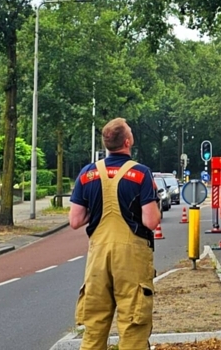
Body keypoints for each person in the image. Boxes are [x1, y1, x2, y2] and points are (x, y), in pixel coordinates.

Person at [70, 118, 161, 350]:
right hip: (131, 258)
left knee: (94, 325)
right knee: (133, 324)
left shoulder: (87, 173)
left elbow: (75, 220)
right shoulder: (141, 173)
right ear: (128, 142)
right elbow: (151, 221)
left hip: (98, 256)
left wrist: (97, 208)